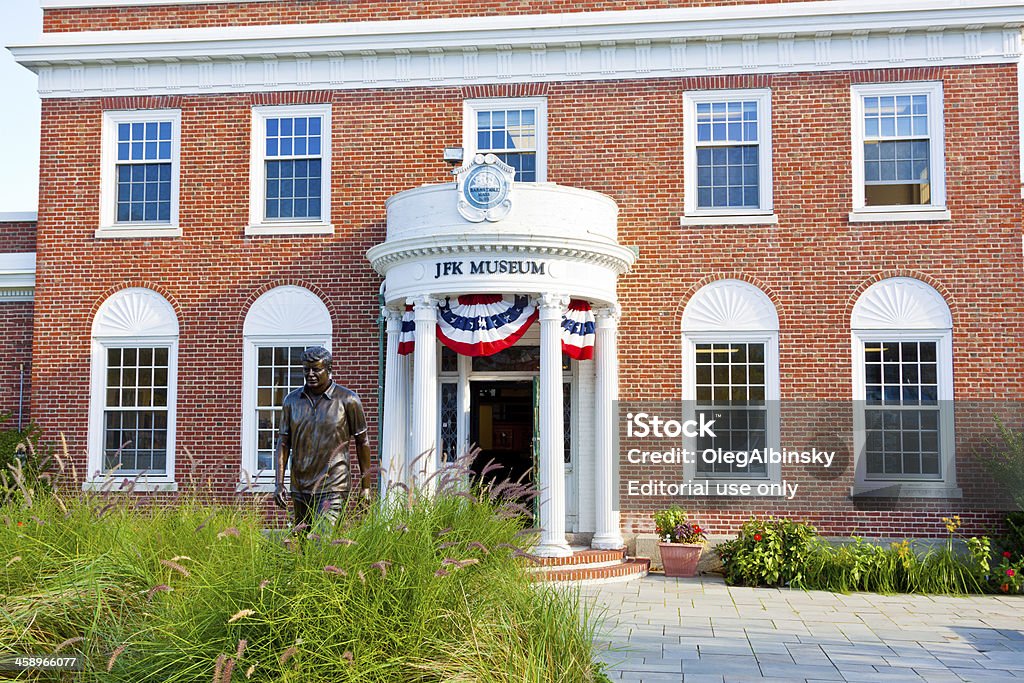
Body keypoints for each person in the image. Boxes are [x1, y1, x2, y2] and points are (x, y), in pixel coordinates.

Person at [273, 346, 372, 529]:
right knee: (303, 543)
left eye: (316, 369)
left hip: (333, 484)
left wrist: (366, 486)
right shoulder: (291, 401)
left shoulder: (348, 400)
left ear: (329, 369)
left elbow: (362, 442)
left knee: (322, 542)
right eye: (306, 369)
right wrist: (279, 483)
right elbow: (283, 443)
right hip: (300, 485)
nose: (310, 374)